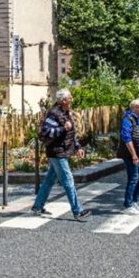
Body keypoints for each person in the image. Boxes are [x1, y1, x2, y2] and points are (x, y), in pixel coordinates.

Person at [31, 89, 91, 221]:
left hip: (61, 151)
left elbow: (70, 134)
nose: (72, 99)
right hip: (57, 152)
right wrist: (63, 128)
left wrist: (78, 147)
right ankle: (77, 210)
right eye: (70, 98)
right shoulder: (54, 113)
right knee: (68, 181)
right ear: (63, 101)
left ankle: (37, 206)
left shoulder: (65, 112)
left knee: (49, 181)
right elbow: (46, 131)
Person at [119, 98, 139, 214]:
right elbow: (127, 139)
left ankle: (133, 200)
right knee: (133, 178)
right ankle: (128, 205)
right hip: (132, 155)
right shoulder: (128, 120)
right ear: (133, 108)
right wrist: (133, 155)